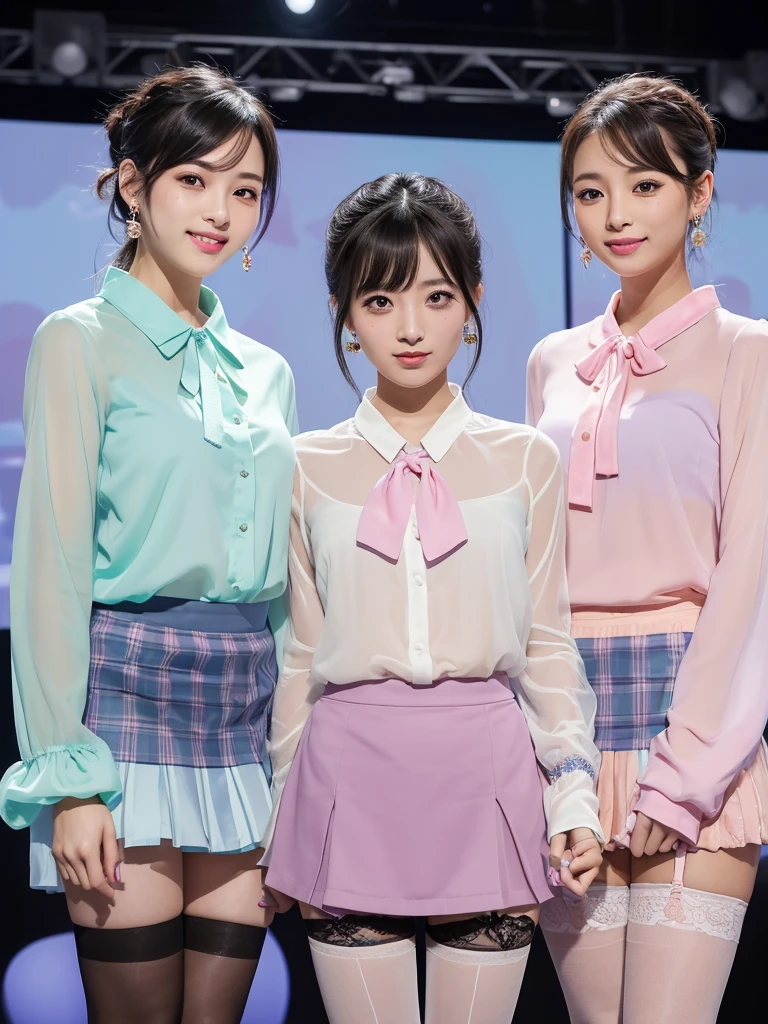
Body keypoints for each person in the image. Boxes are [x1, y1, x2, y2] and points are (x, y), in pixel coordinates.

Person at [259, 172, 603, 1024]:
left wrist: (572, 791)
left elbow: (548, 642)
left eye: (437, 296)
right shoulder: (303, 465)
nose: (410, 328)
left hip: (486, 774)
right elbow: (299, 652)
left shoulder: (526, 459)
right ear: (344, 311)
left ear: (473, 300)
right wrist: (280, 816)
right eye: (379, 300)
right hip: (347, 782)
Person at [0, 65, 296, 1024]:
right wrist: (68, 777)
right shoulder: (76, 341)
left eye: (244, 190)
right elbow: (47, 568)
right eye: (194, 180)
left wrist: (296, 757)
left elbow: (292, 588)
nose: (220, 211)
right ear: (134, 186)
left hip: (244, 713)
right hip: (122, 706)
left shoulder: (267, 372)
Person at [527, 74, 768, 1024]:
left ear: (700, 194)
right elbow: (534, 565)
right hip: (569, 735)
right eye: (590, 192)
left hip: (693, 727)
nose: (614, 215)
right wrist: (554, 759)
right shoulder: (554, 360)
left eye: (644, 186)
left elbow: (754, 575)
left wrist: (691, 768)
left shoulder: (750, 351)